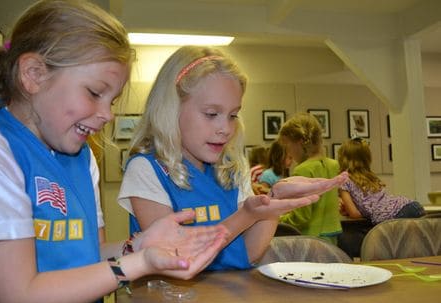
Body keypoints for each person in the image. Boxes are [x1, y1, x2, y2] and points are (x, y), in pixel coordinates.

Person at [0, 1, 229, 303]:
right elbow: (21, 301)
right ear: (33, 74)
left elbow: (88, 258)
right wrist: (138, 265)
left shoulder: (81, 157)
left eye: (112, 100)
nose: (107, 114)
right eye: (94, 93)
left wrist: (138, 247)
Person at [117, 46, 348, 270]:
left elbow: (249, 253)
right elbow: (174, 258)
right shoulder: (146, 168)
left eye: (233, 115)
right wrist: (246, 215)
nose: (225, 128)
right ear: (171, 108)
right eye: (211, 114)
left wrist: (273, 202)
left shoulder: (232, 168)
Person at [278, 112, 342, 244]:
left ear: (300, 142)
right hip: (332, 237)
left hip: (311, 239)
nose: (288, 152)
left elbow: (301, 217)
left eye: (287, 145)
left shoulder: (303, 170)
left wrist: (278, 219)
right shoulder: (333, 165)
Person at [338, 138, 425, 224]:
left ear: (343, 159)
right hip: (412, 206)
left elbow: (354, 214)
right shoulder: (370, 177)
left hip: (396, 215)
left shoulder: (344, 181)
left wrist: (348, 212)